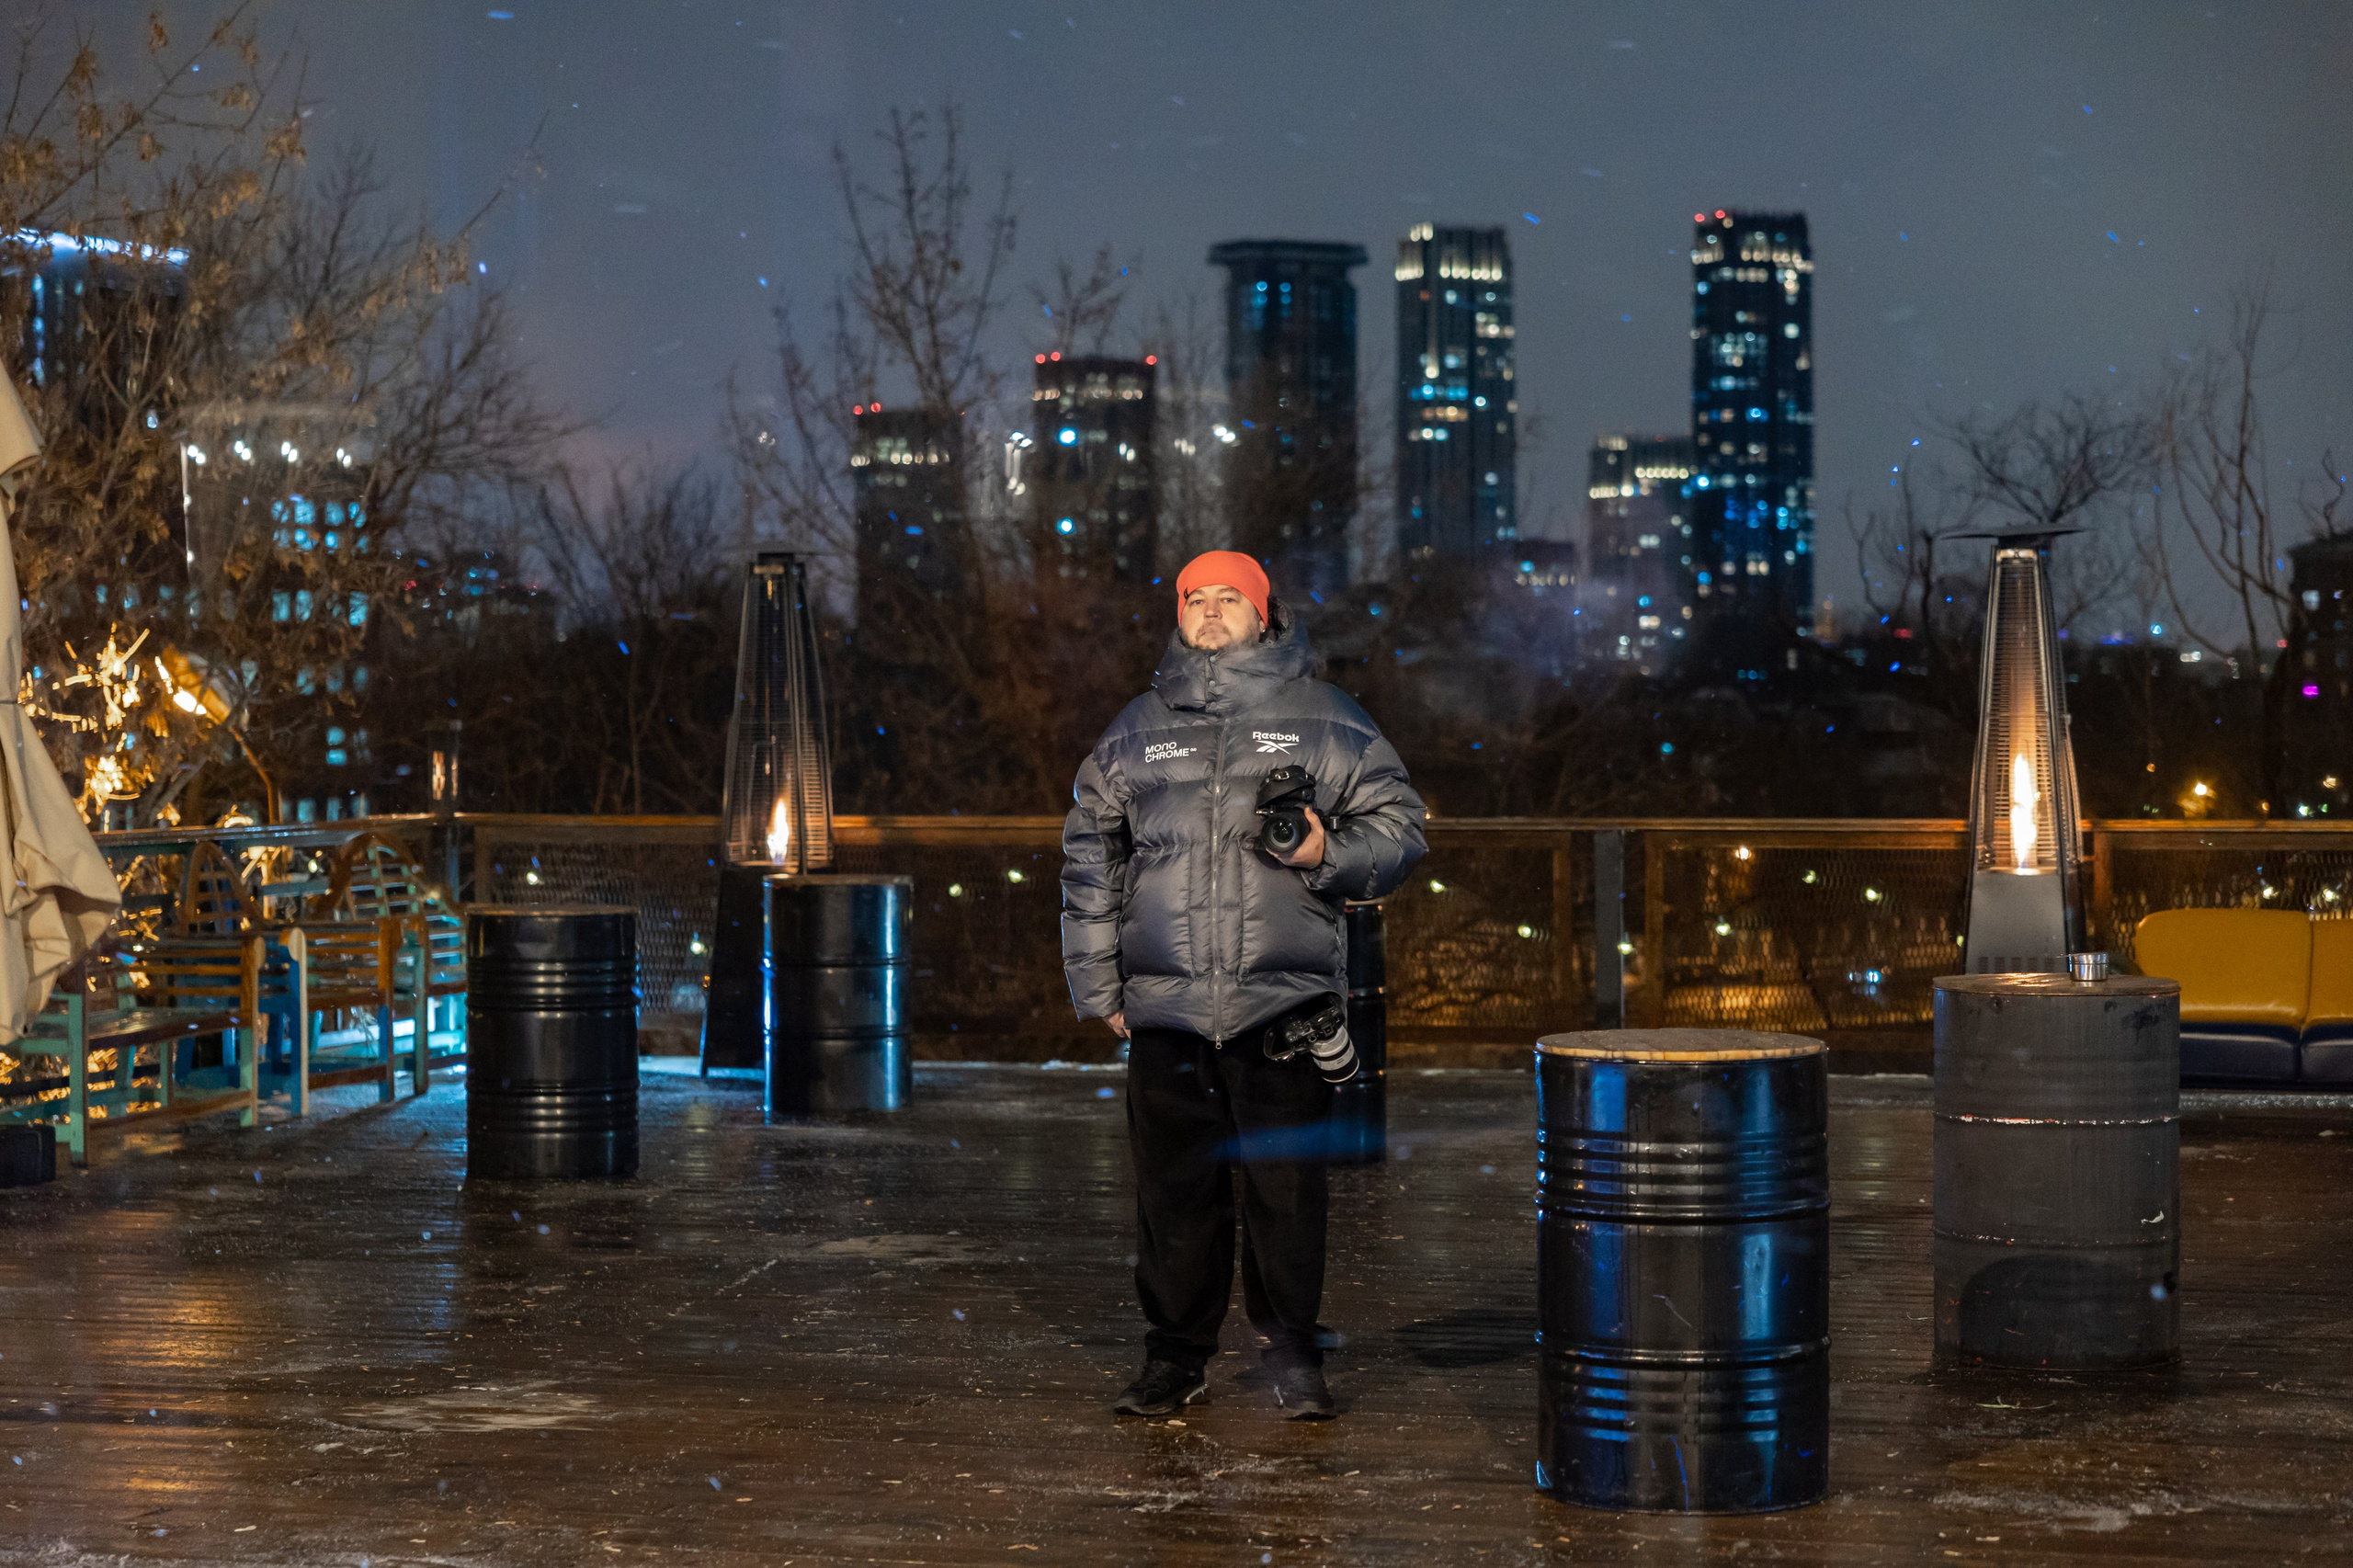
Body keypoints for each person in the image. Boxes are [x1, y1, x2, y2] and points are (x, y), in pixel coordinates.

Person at [1060, 550, 1427, 1420]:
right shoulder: (1135, 729)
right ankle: (1175, 1357)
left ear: (1265, 615)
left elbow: (1402, 832)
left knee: (1286, 1196)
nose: (1213, 611)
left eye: (1232, 598)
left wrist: (1323, 852)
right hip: (1166, 1008)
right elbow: (1089, 860)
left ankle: (1292, 1355)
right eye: (1197, 598)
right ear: (1179, 614)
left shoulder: (1328, 721)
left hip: (1283, 1005)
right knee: (1173, 1196)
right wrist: (1098, 982)